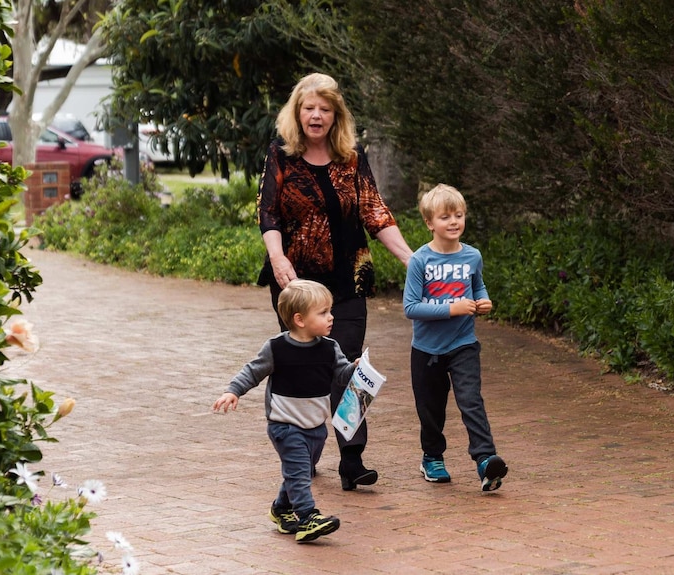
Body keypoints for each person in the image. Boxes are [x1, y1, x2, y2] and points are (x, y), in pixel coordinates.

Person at [256, 72, 413, 491]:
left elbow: (375, 212)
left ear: (336, 115)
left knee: (350, 367)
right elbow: (267, 212)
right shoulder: (281, 155)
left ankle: (352, 459)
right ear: (297, 112)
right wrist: (276, 256)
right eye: (309, 108)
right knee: (302, 365)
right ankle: (301, 452)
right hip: (297, 281)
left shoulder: (352, 158)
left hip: (347, 277)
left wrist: (410, 258)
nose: (316, 115)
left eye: (325, 109)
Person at [213, 279, 356, 543]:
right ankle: (307, 517)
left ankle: (281, 509)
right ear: (300, 320)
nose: (331, 317)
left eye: (330, 311)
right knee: (300, 471)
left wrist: (355, 370)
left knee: (299, 470)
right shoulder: (277, 348)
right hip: (285, 425)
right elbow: (252, 370)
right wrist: (233, 390)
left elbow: (341, 376)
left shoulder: (330, 347)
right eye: (323, 312)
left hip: (315, 425)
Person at [402, 184, 508, 492]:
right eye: (445, 216)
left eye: (458, 215)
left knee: (471, 400)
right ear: (429, 223)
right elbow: (411, 307)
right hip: (426, 350)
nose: (453, 222)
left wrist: (483, 303)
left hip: (463, 344)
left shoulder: (472, 256)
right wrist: (452, 308)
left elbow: (478, 289)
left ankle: (486, 461)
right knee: (431, 408)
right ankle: (432, 457)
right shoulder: (420, 261)